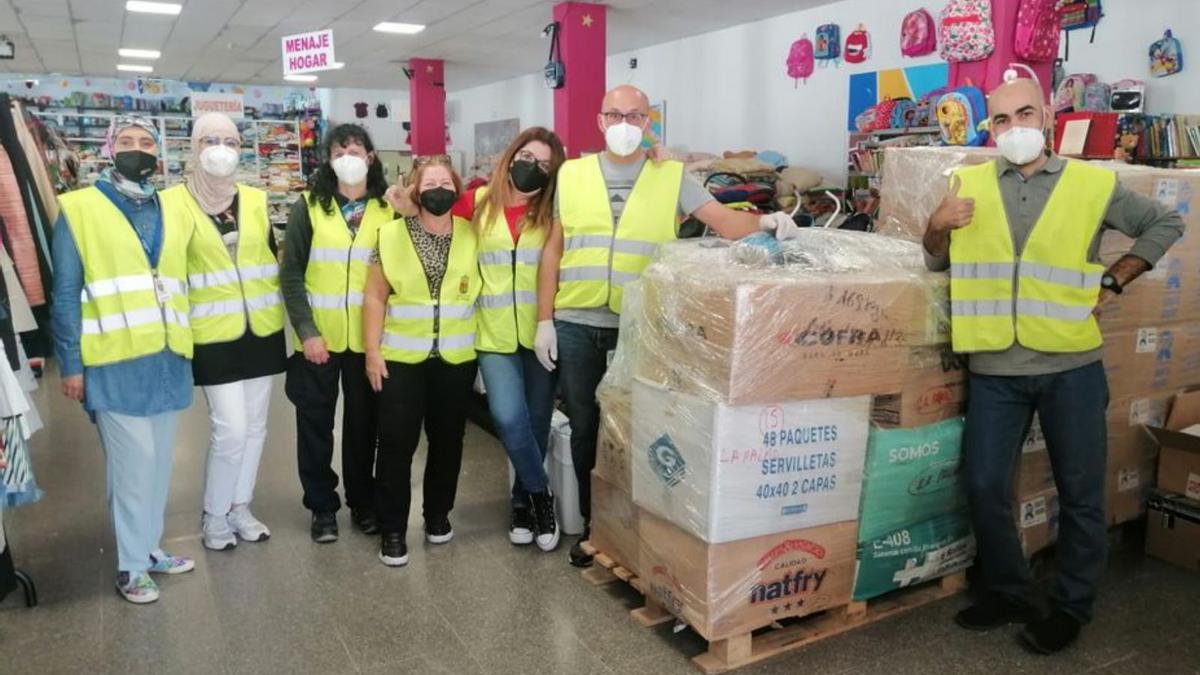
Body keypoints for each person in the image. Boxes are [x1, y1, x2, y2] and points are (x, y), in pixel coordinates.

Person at [923, 69, 1184, 654]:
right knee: (986, 484)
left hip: (1070, 365)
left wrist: (1116, 279)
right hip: (994, 367)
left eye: (1023, 114)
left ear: (1045, 117)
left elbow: (1165, 222)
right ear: (989, 129)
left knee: (1081, 490)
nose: (1013, 128)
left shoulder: (1092, 186)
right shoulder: (966, 184)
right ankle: (1009, 590)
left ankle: (1071, 606)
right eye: (1000, 119)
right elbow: (936, 261)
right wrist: (935, 227)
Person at [535, 85, 802, 567]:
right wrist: (544, 320)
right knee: (585, 425)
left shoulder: (670, 174)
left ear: (648, 123)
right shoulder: (570, 175)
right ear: (599, 121)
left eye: (635, 115)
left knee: (640, 425)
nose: (624, 123)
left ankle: (638, 528)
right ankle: (597, 528)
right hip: (575, 320)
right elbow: (553, 248)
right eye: (614, 113)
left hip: (642, 319)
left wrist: (766, 222)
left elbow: (721, 220)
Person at [386, 128, 567, 552]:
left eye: (543, 164)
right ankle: (542, 494)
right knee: (506, 418)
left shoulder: (554, 210)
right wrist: (405, 204)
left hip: (543, 332)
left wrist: (547, 321)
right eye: (526, 156)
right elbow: (434, 218)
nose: (531, 167)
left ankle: (522, 504)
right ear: (510, 155)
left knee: (536, 424)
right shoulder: (480, 202)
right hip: (492, 334)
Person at [51, 115, 197, 604]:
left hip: (166, 357)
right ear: (110, 148)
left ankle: (149, 549)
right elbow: (66, 293)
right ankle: (131, 566)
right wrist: (71, 363)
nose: (138, 149)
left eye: (147, 142)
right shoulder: (79, 208)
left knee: (156, 468)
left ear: (159, 153)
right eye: (128, 141)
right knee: (135, 467)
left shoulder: (171, 208)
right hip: (114, 361)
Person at [166, 113, 286, 551]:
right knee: (230, 429)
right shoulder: (173, 203)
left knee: (255, 428)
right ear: (194, 148)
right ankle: (214, 514)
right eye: (210, 140)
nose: (220, 149)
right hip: (211, 333)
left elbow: (269, 257)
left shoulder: (255, 199)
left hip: (262, 328)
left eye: (230, 140)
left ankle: (241, 506)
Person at [363, 156, 481, 567]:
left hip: (456, 358)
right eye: (429, 182)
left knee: (448, 441)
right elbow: (375, 295)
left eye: (445, 182)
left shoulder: (472, 234)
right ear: (414, 190)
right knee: (396, 443)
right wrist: (372, 352)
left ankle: (438, 516)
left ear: (456, 190)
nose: (437, 189)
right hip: (402, 359)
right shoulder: (390, 234)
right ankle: (393, 528)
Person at [280, 124, 393, 543]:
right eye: (339, 148)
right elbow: (290, 274)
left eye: (356, 147)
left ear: (371, 156)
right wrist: (307, 331)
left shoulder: (387, 209)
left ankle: (362, 502)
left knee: (364, 427)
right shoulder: (308, 206)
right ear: (327, 158)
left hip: (369, 342)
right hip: (318, 342)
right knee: (315, 425)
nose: (348, 154)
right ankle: (322, 506)